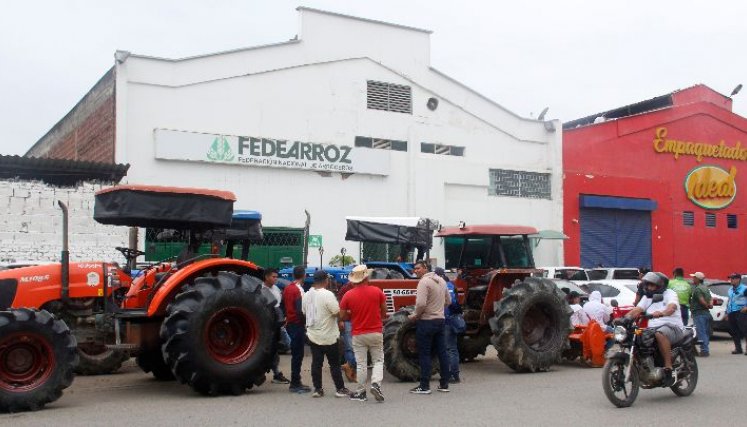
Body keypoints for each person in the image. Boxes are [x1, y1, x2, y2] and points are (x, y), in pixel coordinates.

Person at [621, 272, 685, 387]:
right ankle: (645, 366)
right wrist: (625, 318)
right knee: (636, 337)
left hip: (672, 327)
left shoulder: (670, 294)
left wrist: (662, 313)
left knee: (660, 333)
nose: (649, 287)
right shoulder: (647, 297)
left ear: (661, 285)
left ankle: (668, 368)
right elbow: (638, 309)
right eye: (648, 285)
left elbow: (672, 308)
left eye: (652, 285)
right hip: (652, 328)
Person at [339, 265, 387, 402]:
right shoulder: (377, 291)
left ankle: (361, 392)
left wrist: (351, 313)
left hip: (358, 333)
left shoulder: (348, 295)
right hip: (376, 331)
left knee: (361, 364)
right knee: (378, 361)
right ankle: (376, 384)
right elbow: (384, 311)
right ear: (366, 277)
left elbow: (342, 316)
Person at [302, 270, 350, 398]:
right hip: (329, 336)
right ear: (326, 280)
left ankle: (318, 389)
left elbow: (304, 312)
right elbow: (336, 312)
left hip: (313, 334)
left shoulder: (307, 295)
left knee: (316, 364)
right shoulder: (327, 295)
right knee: (334, 364)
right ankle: (340, 389)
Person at [408, 261, 451, 394]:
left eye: (418, 268)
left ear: (425, 268)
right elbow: (448, 301)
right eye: (414, 269)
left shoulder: (424, 282)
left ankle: (424, 386)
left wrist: (415, 315)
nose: (416, 271)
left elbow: (420, 303)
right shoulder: (442, 281)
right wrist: (437, 309)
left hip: (426, 321)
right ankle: (444, 384)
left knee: (424, 353)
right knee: (442, 352)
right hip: (440, 321)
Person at [283, 265, 311, 393]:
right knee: (298, 355)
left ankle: (296, 381)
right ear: (304, 275)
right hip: (297, 324)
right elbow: (300, 310)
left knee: (296, 354)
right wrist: (306, 323)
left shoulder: (288, 288)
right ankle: (295, 382)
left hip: (290, 322)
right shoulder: (298, 290)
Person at [262, 268, 290, 384]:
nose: (275, 279)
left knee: (275, 349)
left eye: (276, 277)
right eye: (273, 277)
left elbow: (279, 305)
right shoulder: (260, 289)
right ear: (266, 277)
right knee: (266, 349)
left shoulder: (276, 289)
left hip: (276, 322)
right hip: (265, 323)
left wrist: (283, 318)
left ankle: (276, 373)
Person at [435, 267, 461, 384]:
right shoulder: (449, 285)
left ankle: (453, 374)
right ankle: (450, 373)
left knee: (450, 348)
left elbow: (453, 302)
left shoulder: (447, 286)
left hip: (448, 320)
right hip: (447, 319)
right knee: (450, 348)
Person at [336, 280, 356, 382]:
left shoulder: (359, 288)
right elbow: (339, 305)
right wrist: (340, 320)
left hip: (357, 320)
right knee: (349, 347)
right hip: (347, 320)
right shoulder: (345, 289)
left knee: (356, 347)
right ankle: (350, 368)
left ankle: (350, 367)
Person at [688, 272, 712, 357]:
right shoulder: (705, 288)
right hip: (706, 314)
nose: (693, 279)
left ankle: (704, 350)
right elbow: (711, 299)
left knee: (701, 332)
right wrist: (710, 305)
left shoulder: (697, 289)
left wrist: (706, 306)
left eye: (694, 278)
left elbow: (701, 300)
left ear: (698, 279)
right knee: (705, 332)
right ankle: (705, 348)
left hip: (699, 313)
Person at [725, 273, 747, 354]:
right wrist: (726, 313)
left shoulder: (744, 289)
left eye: (733, 278)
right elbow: (729, 301)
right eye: (730, 278)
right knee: (734, 331)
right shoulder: (730, 289)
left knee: (745, 330)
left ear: (738, 279)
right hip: (732, 312)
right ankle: (738, 349)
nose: (731, 280)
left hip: (741, 312)